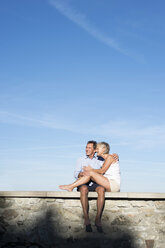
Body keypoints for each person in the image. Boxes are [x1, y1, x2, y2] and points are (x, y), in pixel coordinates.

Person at [59, 141, 120, 232]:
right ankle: (86, 218)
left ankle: (98, 218)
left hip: (105, 183)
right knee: (85, 185)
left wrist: (91, 171)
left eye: (90, 148)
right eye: (86, 147)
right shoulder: (81, 159)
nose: (87, 149)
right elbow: (76, 174)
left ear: (95, 150)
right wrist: (82, 173)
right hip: (85, 182)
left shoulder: (101, 158)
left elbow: (103, 169)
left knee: (99, 186)